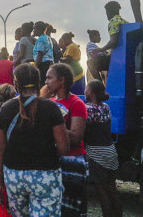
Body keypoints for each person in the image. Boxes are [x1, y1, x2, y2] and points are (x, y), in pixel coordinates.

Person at [0, 64, 69, 217]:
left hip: (13, 176)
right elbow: (64, 148)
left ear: (16, 84)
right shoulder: (52, 108)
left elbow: (0, 150)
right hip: (45, 175)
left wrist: (0, 183)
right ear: (39, 82)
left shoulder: (5, 109)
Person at [46, 63, 88, 217]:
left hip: (72, 162)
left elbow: (76, 138)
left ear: (62, 80)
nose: (46, 82)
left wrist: (55, 123)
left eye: (50, 78)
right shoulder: (49, 102)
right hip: (53, 162)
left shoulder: (77, 103)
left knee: (70, 210)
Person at [84, 80, 121, 217]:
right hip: (110, 151)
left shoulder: (88, 109)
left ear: (91, 92)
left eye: (86, 88)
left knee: (102, 191)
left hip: (97, 154)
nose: (85, 91)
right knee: (112, 188)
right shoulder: (106, 107)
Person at [88, 1, 129, 81]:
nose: (106, 14)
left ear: (110, 11)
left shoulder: (113, 22)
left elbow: (113, 42)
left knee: (90, 63)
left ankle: (100, 86)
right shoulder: (124, 21)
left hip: (117, 56)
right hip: (126, 54)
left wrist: (100, 49)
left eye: (106, 12)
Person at [33, 21, 54, 87]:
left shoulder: (41, 39)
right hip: (49, 63)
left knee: (42, 83)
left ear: (39, 29)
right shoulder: (47, 38)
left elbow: (40, 54)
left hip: (42, 64)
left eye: (34, 29)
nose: (33, 31)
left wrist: (35, 66)